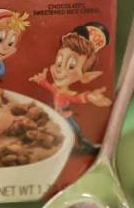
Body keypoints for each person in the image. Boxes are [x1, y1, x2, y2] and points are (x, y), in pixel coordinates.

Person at [30, 23, 112, 153]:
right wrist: (41, 80)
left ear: (85, 77)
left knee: (72, 128)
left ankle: (81, 144)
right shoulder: (58, 90)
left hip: (64, 114)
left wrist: (89, 97)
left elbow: (76, 98)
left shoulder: (66, 93)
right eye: (59, 62)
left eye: (71, 66)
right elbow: (50, 88)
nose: (59, 70)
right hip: (56, 113)